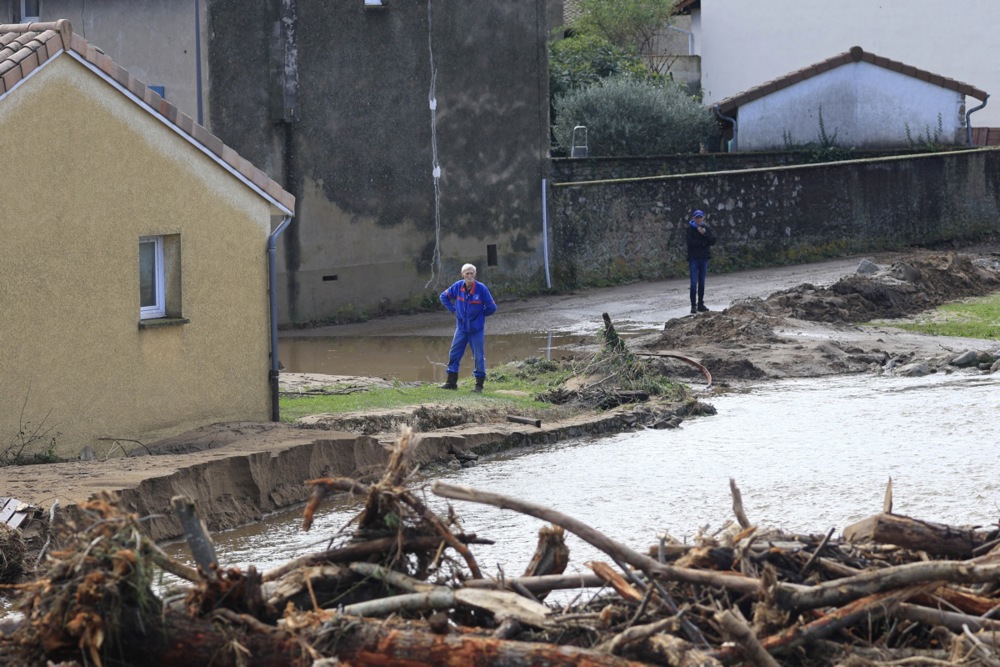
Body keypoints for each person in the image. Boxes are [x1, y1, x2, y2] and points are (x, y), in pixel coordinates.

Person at [439, 263, 497, 392]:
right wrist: (454, 311)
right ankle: (451, 382)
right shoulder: (458, 286)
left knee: (478, 356)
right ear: (462, 274)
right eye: (467, 273)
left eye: (471, 273)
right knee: (454, 353)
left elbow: (492, 307)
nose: (469, 276)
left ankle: (479, 385)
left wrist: (480, 316)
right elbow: (443, 297)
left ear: (475, 274)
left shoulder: (481, 289)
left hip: (476, 330)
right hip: (461, 329)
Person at [686, 209, 717, 314]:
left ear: (703, 218)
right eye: (697, 217)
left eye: (700, 217)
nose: (699, 219)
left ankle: (700, 304)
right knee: (694, 283)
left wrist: (704, 235)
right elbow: (691, 243)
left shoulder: (706, 229)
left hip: (704, 259)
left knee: (702, 283)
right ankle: (693, 305)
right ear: (693, 218)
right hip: (694, 259)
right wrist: (703, 243)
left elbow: (712, 241)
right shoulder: (690, 229)